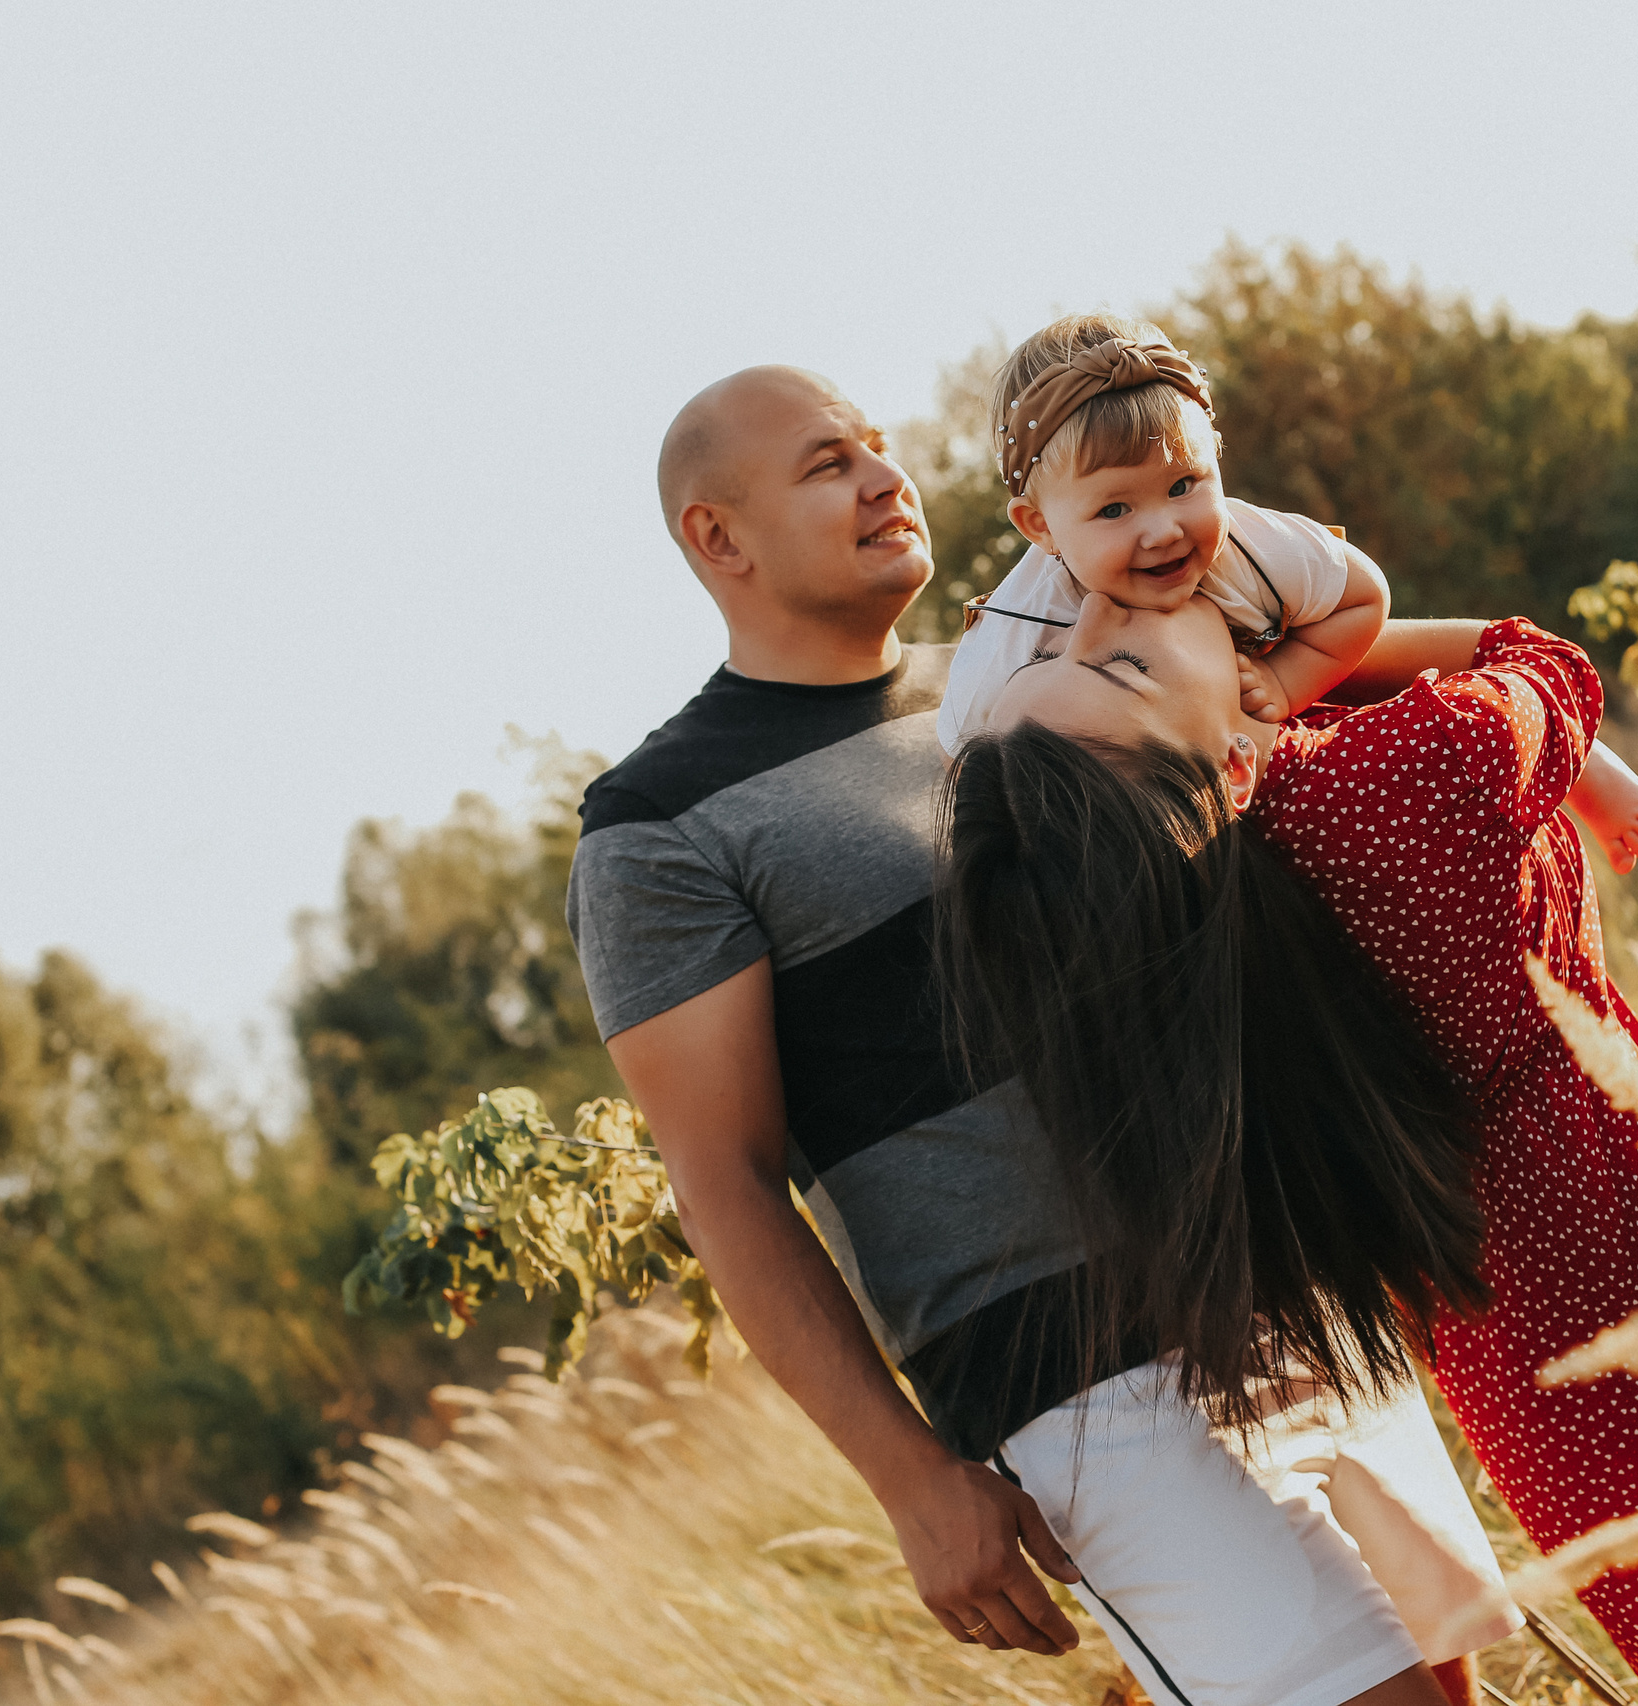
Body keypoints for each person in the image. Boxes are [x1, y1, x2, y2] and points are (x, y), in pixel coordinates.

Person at [940, 588, 1638, 1706]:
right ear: (1227, 768)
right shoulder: (1392, 773)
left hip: (1529, 1349)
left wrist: (1253, 679)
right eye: (1119, 663)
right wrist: (1296, 641)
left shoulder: (1224, 894)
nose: (1099, 610)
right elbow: (1541, 660)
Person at [568, 364, 1518, 1706]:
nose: (886, 479)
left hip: (1276, 1279)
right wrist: (910, 1478)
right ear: (717, 536)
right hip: (1073, 1377)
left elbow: (1297, 665)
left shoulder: (1030, 665)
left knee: (1452, 1686)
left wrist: (1529, 674)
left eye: (880, 447)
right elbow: (722, 1176)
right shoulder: (662, 822)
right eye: (830, 463)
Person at [937, 313, 1638, 875]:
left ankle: (1580, 763)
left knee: (1400, 686)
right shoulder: (1016, 631)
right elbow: (967, 758)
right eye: (1115, 509)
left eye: (1185, 484)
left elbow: (1366, 601)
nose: (1163, 529)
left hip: (1274, 695)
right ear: (1040, 527)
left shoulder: (1254, 548)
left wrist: (1286, 682)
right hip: (1181, 785)